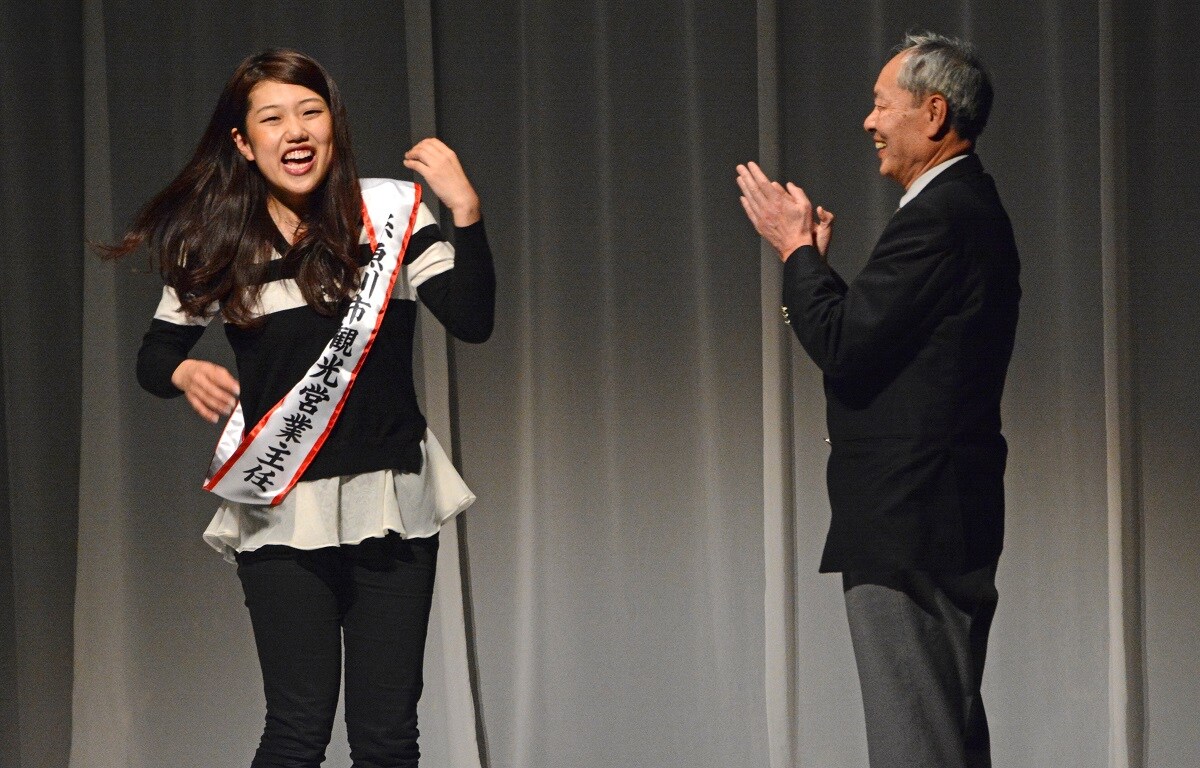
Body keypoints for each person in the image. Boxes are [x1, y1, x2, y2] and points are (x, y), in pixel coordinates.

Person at [103, 49, 495, 768]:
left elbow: (471, 319)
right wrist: (185, 370)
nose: (296, 131)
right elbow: (152, 359)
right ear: (244, 144)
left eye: (310, 112)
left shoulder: (391, 216)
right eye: (273, 118)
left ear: (334, 126)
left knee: (385, 736)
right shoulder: (215, 243)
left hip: (392, 502)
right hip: (282, 509)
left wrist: (465, 212)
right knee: (296, 729)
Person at [736, 32, 1019, 768]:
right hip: (937, 515)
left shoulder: (942, 214)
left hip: (914, 520)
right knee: (940, 733)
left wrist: (796, 254)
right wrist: (813, 270)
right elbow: (870, 341)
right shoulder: (961, 208)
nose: (868, 121)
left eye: (879, 104)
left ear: (932, 114)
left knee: (915, 742)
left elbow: (845, 350)